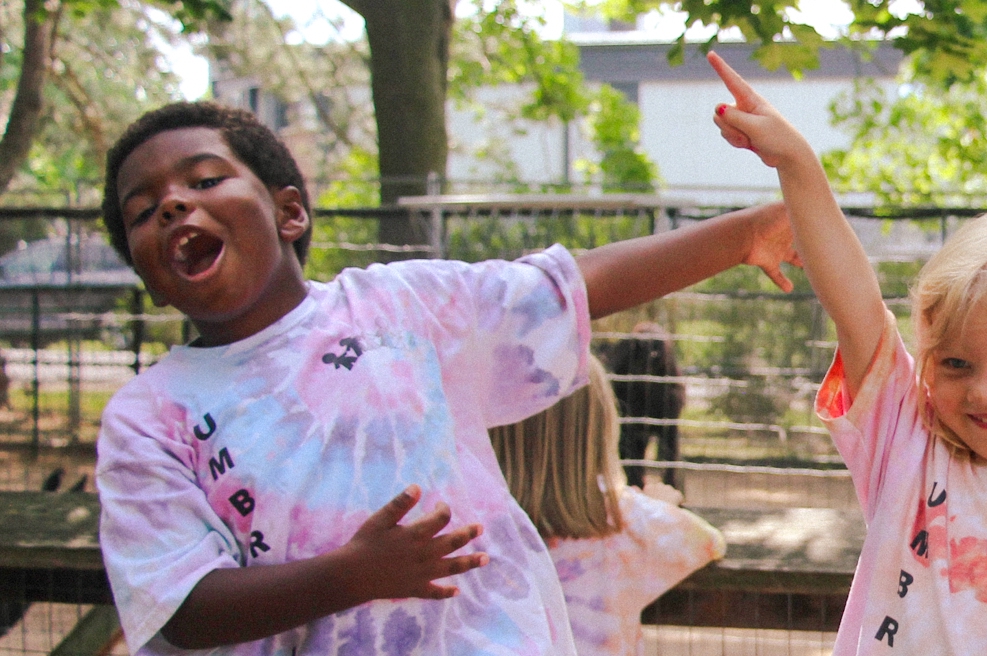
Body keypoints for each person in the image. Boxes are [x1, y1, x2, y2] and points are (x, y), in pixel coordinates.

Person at [92, 101, 796, 655]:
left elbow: (573, 284)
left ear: (289, 211)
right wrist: (352, 575)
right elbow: (178, 608)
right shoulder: (149, 416)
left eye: (205, 179)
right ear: (149, 278)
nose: (174, 205)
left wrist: (742, 234)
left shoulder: (401, 305)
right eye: (144, 212)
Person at [705, 53, 987, 654]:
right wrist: (796, 163)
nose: (983, 390)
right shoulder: (910, 452)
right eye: (955, 363)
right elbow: (857, 305)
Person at [491, 353, 725, 656]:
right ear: (600, 424)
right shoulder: (626, 520)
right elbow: (710, 542)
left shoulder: (474, 526)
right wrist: (662, 506)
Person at [606, 321, 686, 488]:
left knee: (645, 449)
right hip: (634, 404)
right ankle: (640, 487)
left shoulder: (635, 350)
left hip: (657, 403)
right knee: (633, 448)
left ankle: (663, 486)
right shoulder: (630, 351)